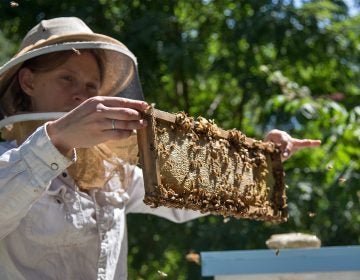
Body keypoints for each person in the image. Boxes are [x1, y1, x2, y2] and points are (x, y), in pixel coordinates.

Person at [0, 17, 321, 280]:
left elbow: (188, 197)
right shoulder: (7, 161)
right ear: (28, 82)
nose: (80, 96)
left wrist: (262, 159)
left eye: (90, 87)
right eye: (66, 78)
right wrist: (56, 140)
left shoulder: (112, 172)